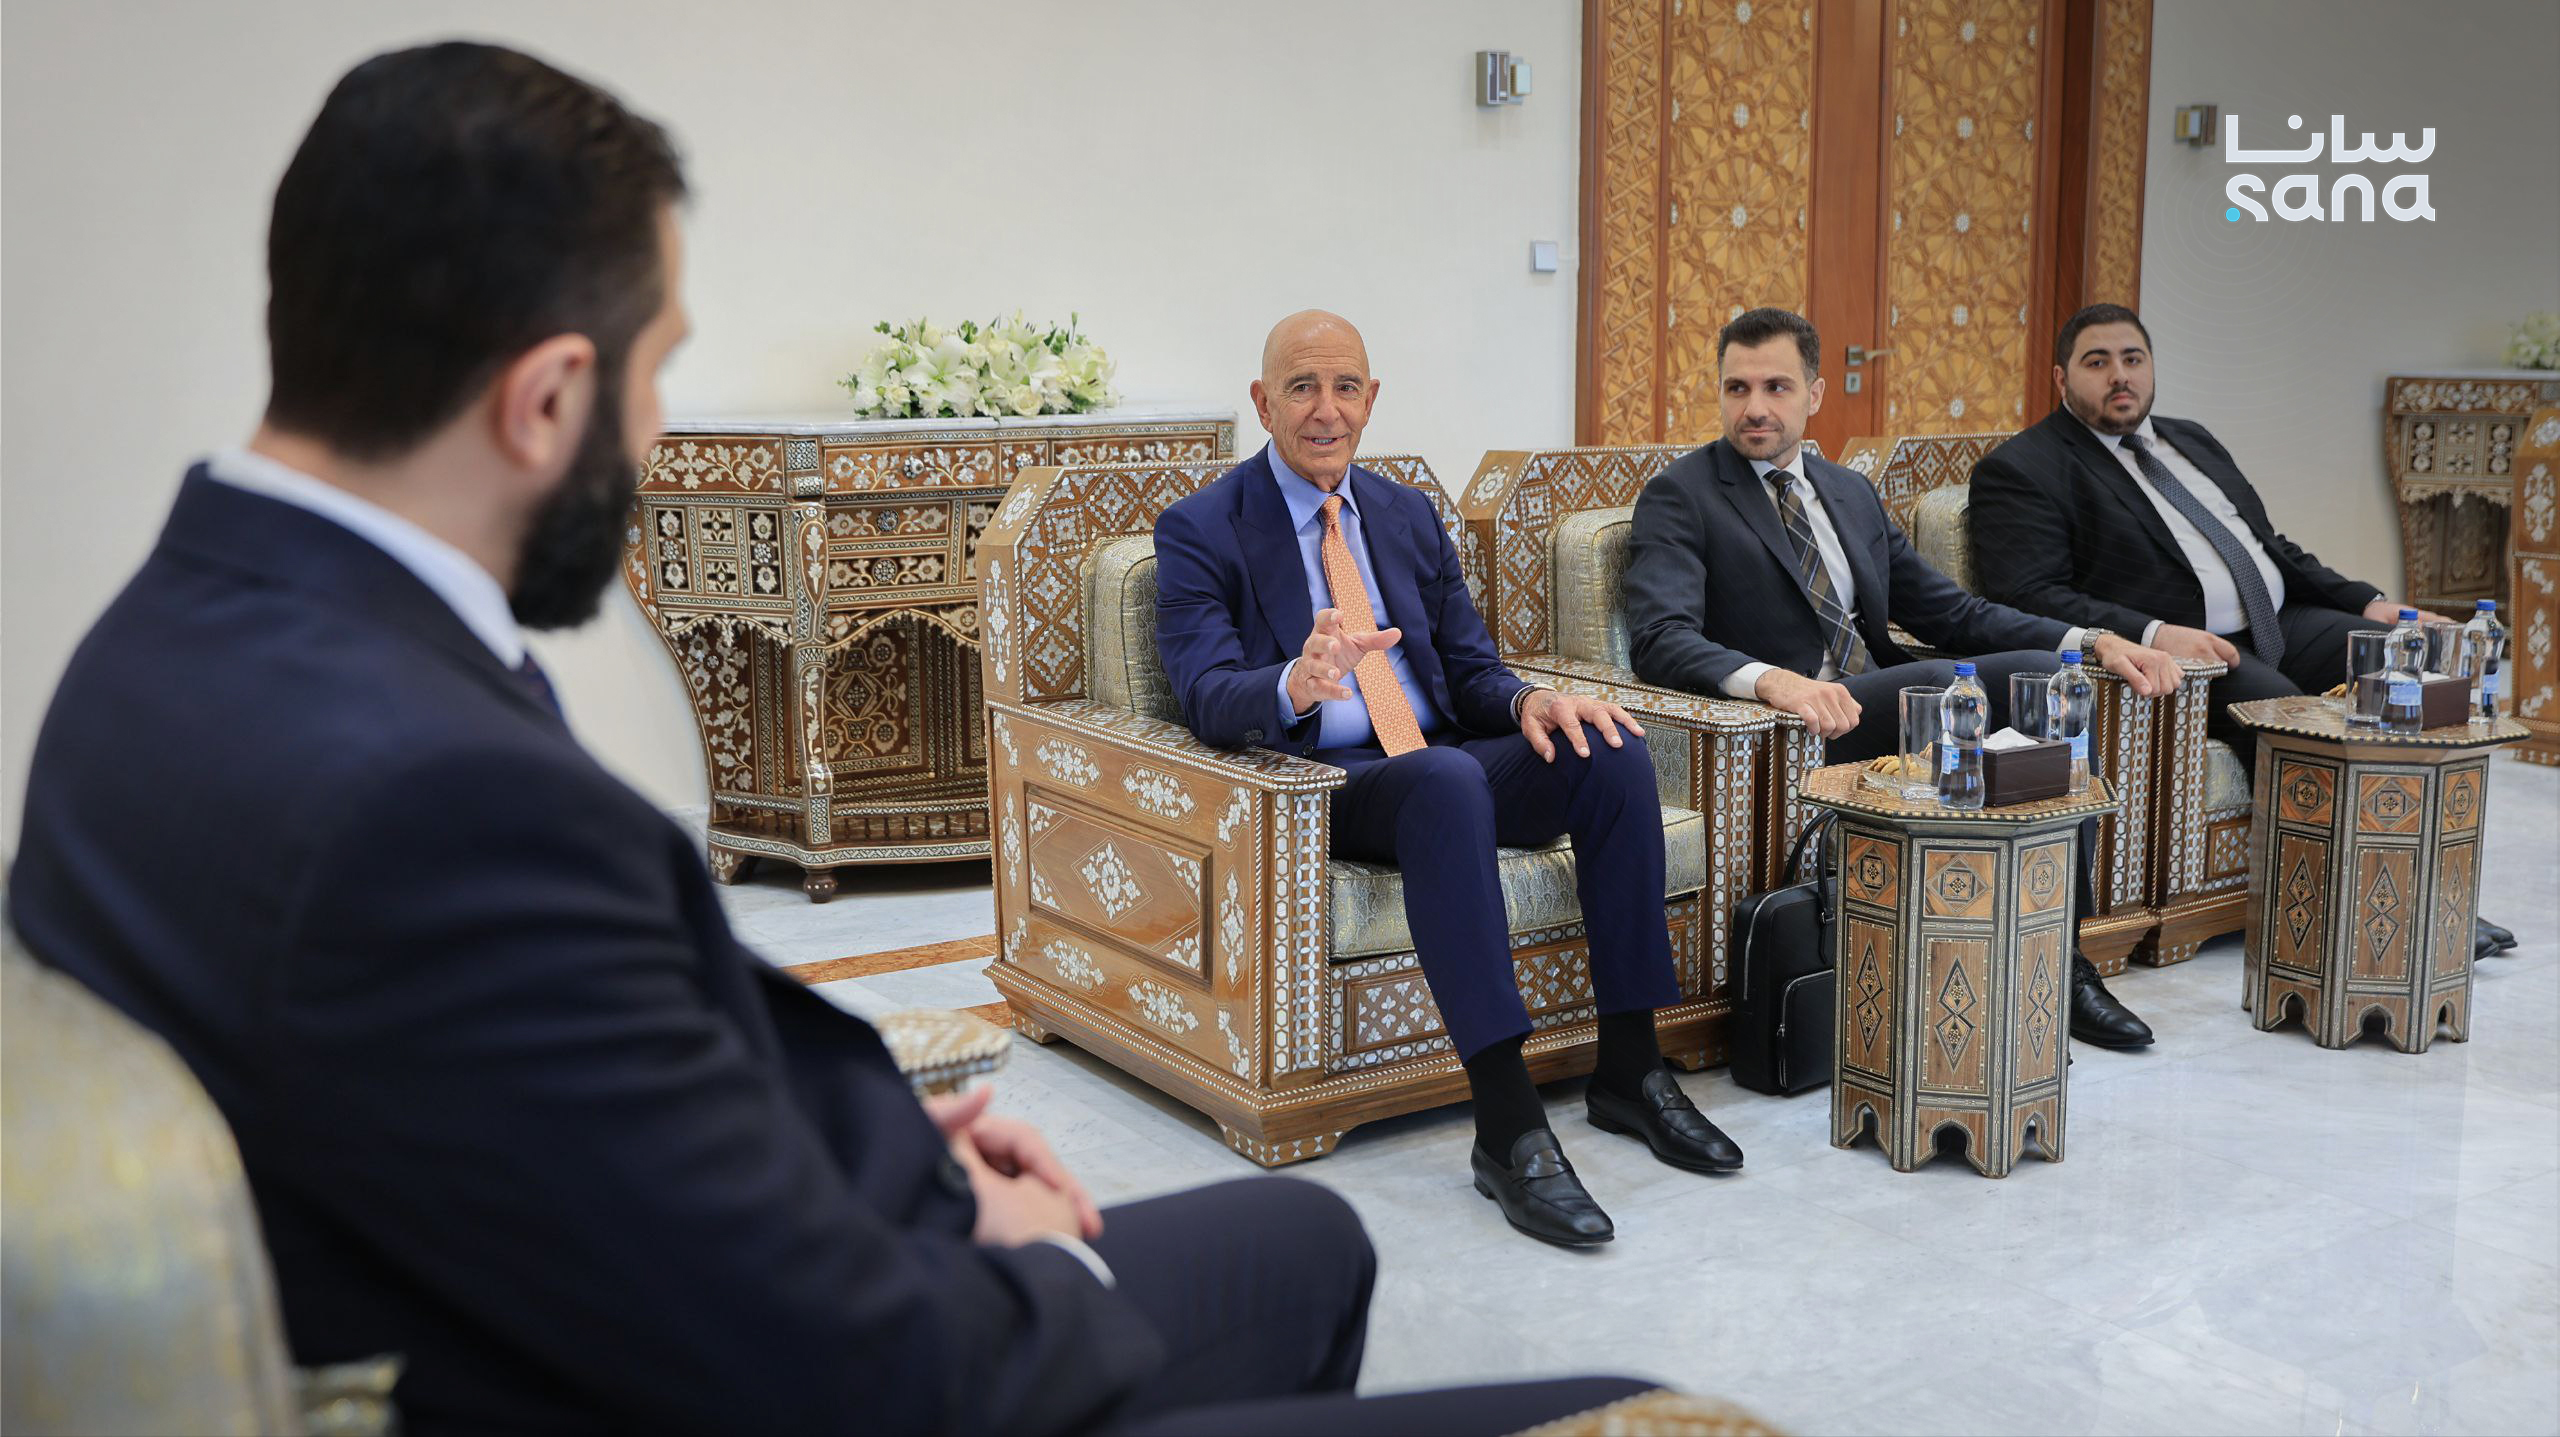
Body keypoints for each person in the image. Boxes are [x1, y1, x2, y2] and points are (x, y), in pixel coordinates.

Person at [3, 44, 1651, 1435]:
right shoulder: (439, 796)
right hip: (818, 1369)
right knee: (1629, 1405)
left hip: (671, 1246)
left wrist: (876, 1142)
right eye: (658, 375)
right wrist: (1023, 1254)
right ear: (548, 396)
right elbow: (847, 1359)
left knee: (1312, 1242)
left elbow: (553, 1105)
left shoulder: (148, 657)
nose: (654, 431)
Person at [1153, 310, 1738, 1248]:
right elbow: (1205, 691)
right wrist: (1296, 680)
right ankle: (1507, 1124)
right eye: (1302, 388)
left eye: (1346, 387)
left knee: (1610, 747)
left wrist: (1530, 701)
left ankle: (1632, 1068)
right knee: (1447, 782)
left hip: (1440, 755)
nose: (1326, 410)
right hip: (1327, 781)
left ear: (1372, 399)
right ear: (1263, 403)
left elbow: (1469, 667)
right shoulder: (1201, 528)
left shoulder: (1405, 514)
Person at [1622, 307, 2185, 1050]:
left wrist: (2092, 640)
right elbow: (1660, 638)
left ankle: (2060, 961)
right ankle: (2028, 963)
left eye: (1776, 387)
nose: (1754, 407)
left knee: (2051, 683)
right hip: (1791, 730)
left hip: (1884, 699)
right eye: (1737, 387)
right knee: (1985, 684)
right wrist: (1772, 682)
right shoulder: (1682, 494)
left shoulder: (1847, 491)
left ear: (1814, 394)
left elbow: (1951, 611)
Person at [1967, 303, 2515, 959]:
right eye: (2097, 362)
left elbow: (2269, 546)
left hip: (2279, 621)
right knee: (2296, 718)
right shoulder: (2024, 467)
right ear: (2061, 378)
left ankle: (2433, 891)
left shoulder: (2189, 439)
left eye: (2133, 359)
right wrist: (2155, 632)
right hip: (2190, 655)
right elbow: (2029, 593)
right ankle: (2361, 912)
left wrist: (2371, 604)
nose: (2120, 376)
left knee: (2408, 672)